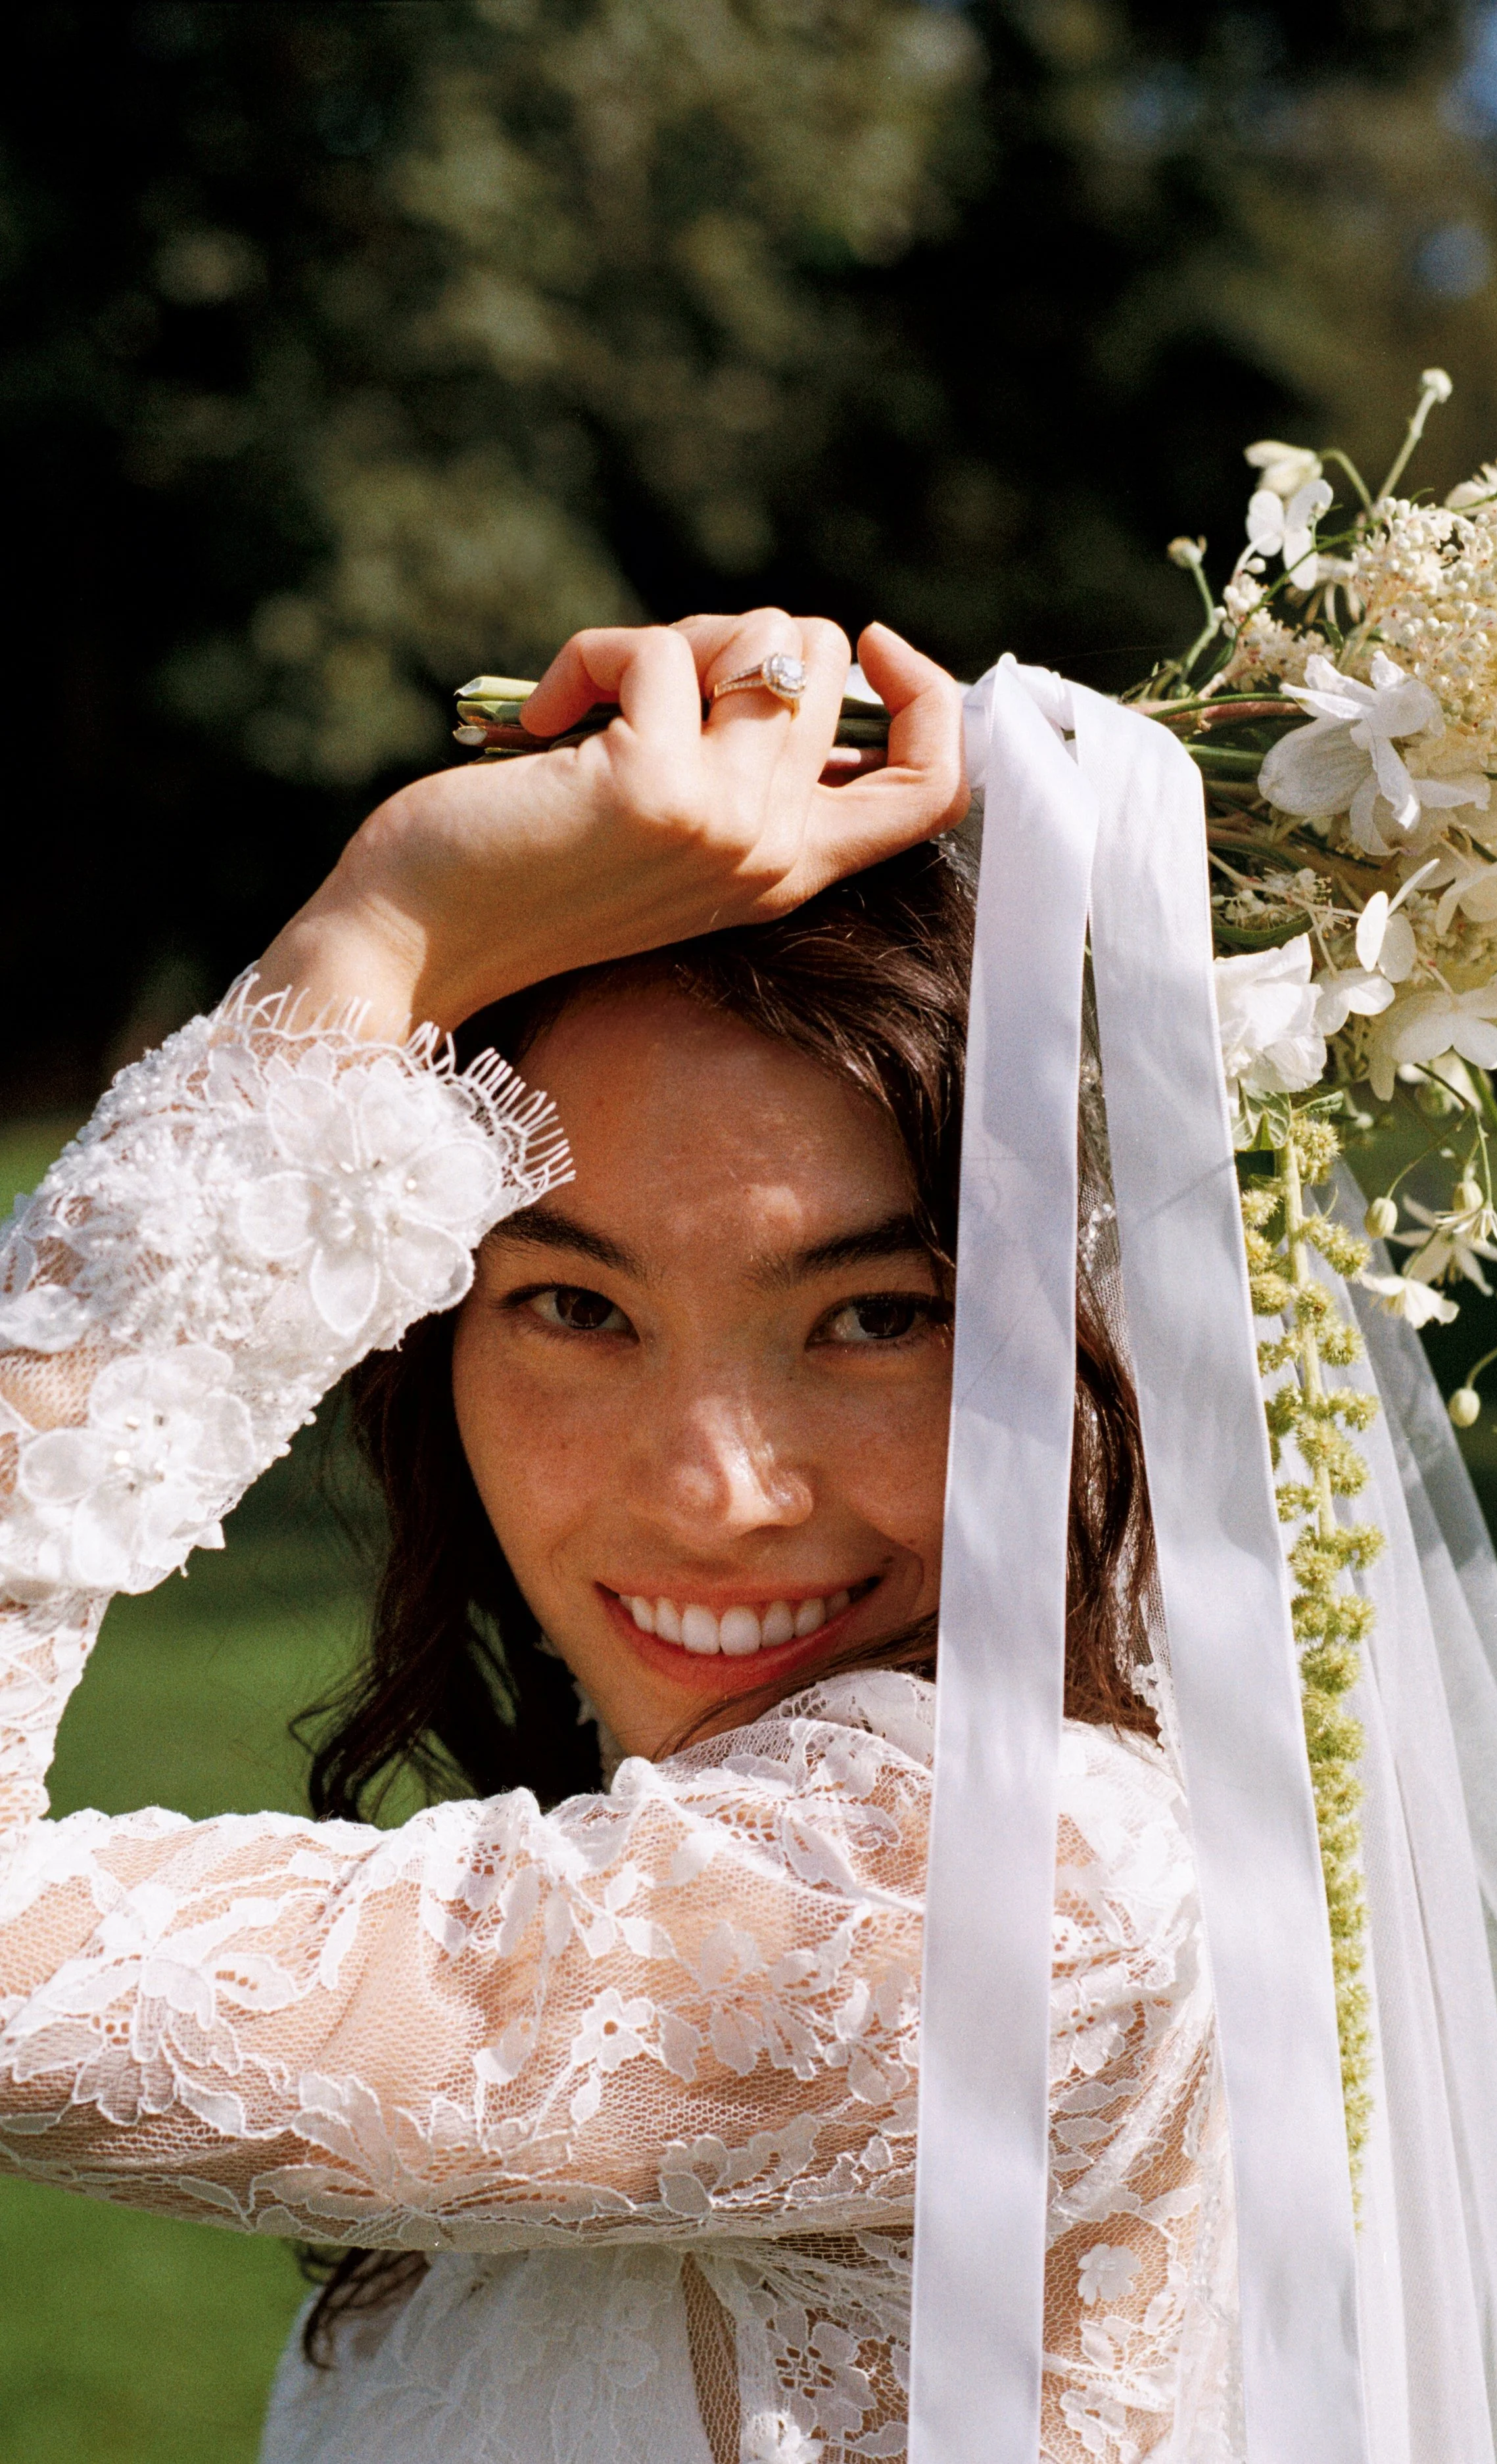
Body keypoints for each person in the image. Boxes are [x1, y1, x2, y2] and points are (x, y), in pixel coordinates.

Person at [0, 613, 1237, 2463]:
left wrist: (384, 941)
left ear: (1088, 1332)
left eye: (876, 1313)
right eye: (577, 1309)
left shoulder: (1006, 1896)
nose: (711, 1488)